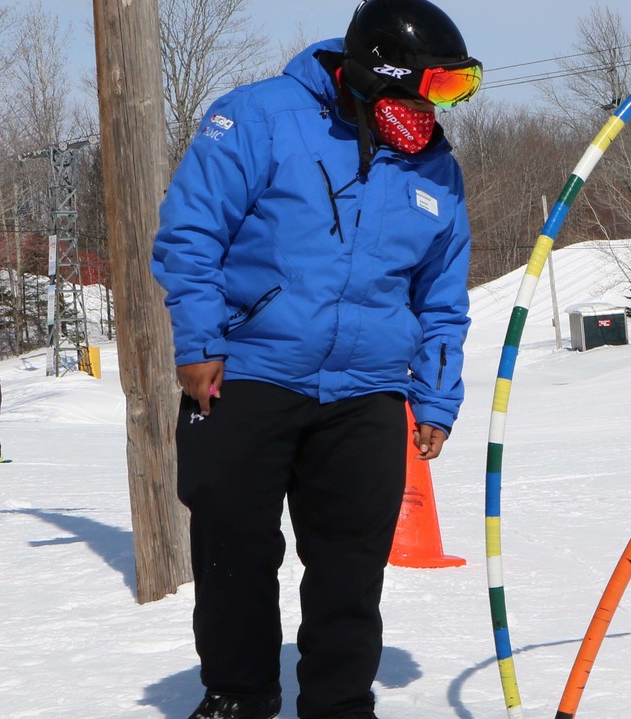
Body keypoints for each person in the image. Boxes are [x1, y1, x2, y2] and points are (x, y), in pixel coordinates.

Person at [149, 1, 478, 717]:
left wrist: (437, 395)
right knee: (233, 550)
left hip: (367, 391)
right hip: (248, 371)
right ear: (371, 77)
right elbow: (191, 232)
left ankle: (338, 702)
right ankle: (238, 693)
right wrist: (201, 341)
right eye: (425, 90)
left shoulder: (436, 170)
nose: (432, 111)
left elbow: (443, 299)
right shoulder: (258, 117)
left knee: (349, 569)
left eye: (448, 94)